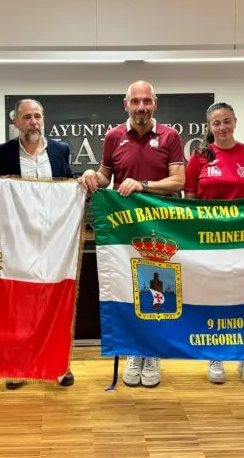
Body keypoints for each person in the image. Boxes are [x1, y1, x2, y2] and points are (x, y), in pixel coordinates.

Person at [79, 80, 185, 388]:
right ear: (126, 105)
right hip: (124, 228)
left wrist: (143, 185)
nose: (141, 107)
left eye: (146, 101)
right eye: (135, 101)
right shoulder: (114, 136)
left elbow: (179, 181)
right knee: (128, 288)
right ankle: (134, 351)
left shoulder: (170, 136)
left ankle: (153, 352)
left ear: (155, 104)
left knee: (157, 289)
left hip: (161, 228)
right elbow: (105, 177)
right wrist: (91, 175)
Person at [0, 98, 75, 389]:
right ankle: (18, 365)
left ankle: (59, 364)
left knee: (56, 301)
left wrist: (83, 180)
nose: (33, 122)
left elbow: (69, 184)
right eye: (27, 117)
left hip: (54, 240)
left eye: (37, 116)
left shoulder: (60, 150)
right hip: (17, 241)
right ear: (15, 122)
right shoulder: (1, 153)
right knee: (18, 303)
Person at [184, 102, 244, 385]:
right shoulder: (199, 157)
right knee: (213, 296)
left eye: (227, 121)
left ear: (235, 122)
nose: (222, 127)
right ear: (209, 127)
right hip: (209, 241)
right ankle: (215, 355)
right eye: (216, 123)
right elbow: (190, 203)